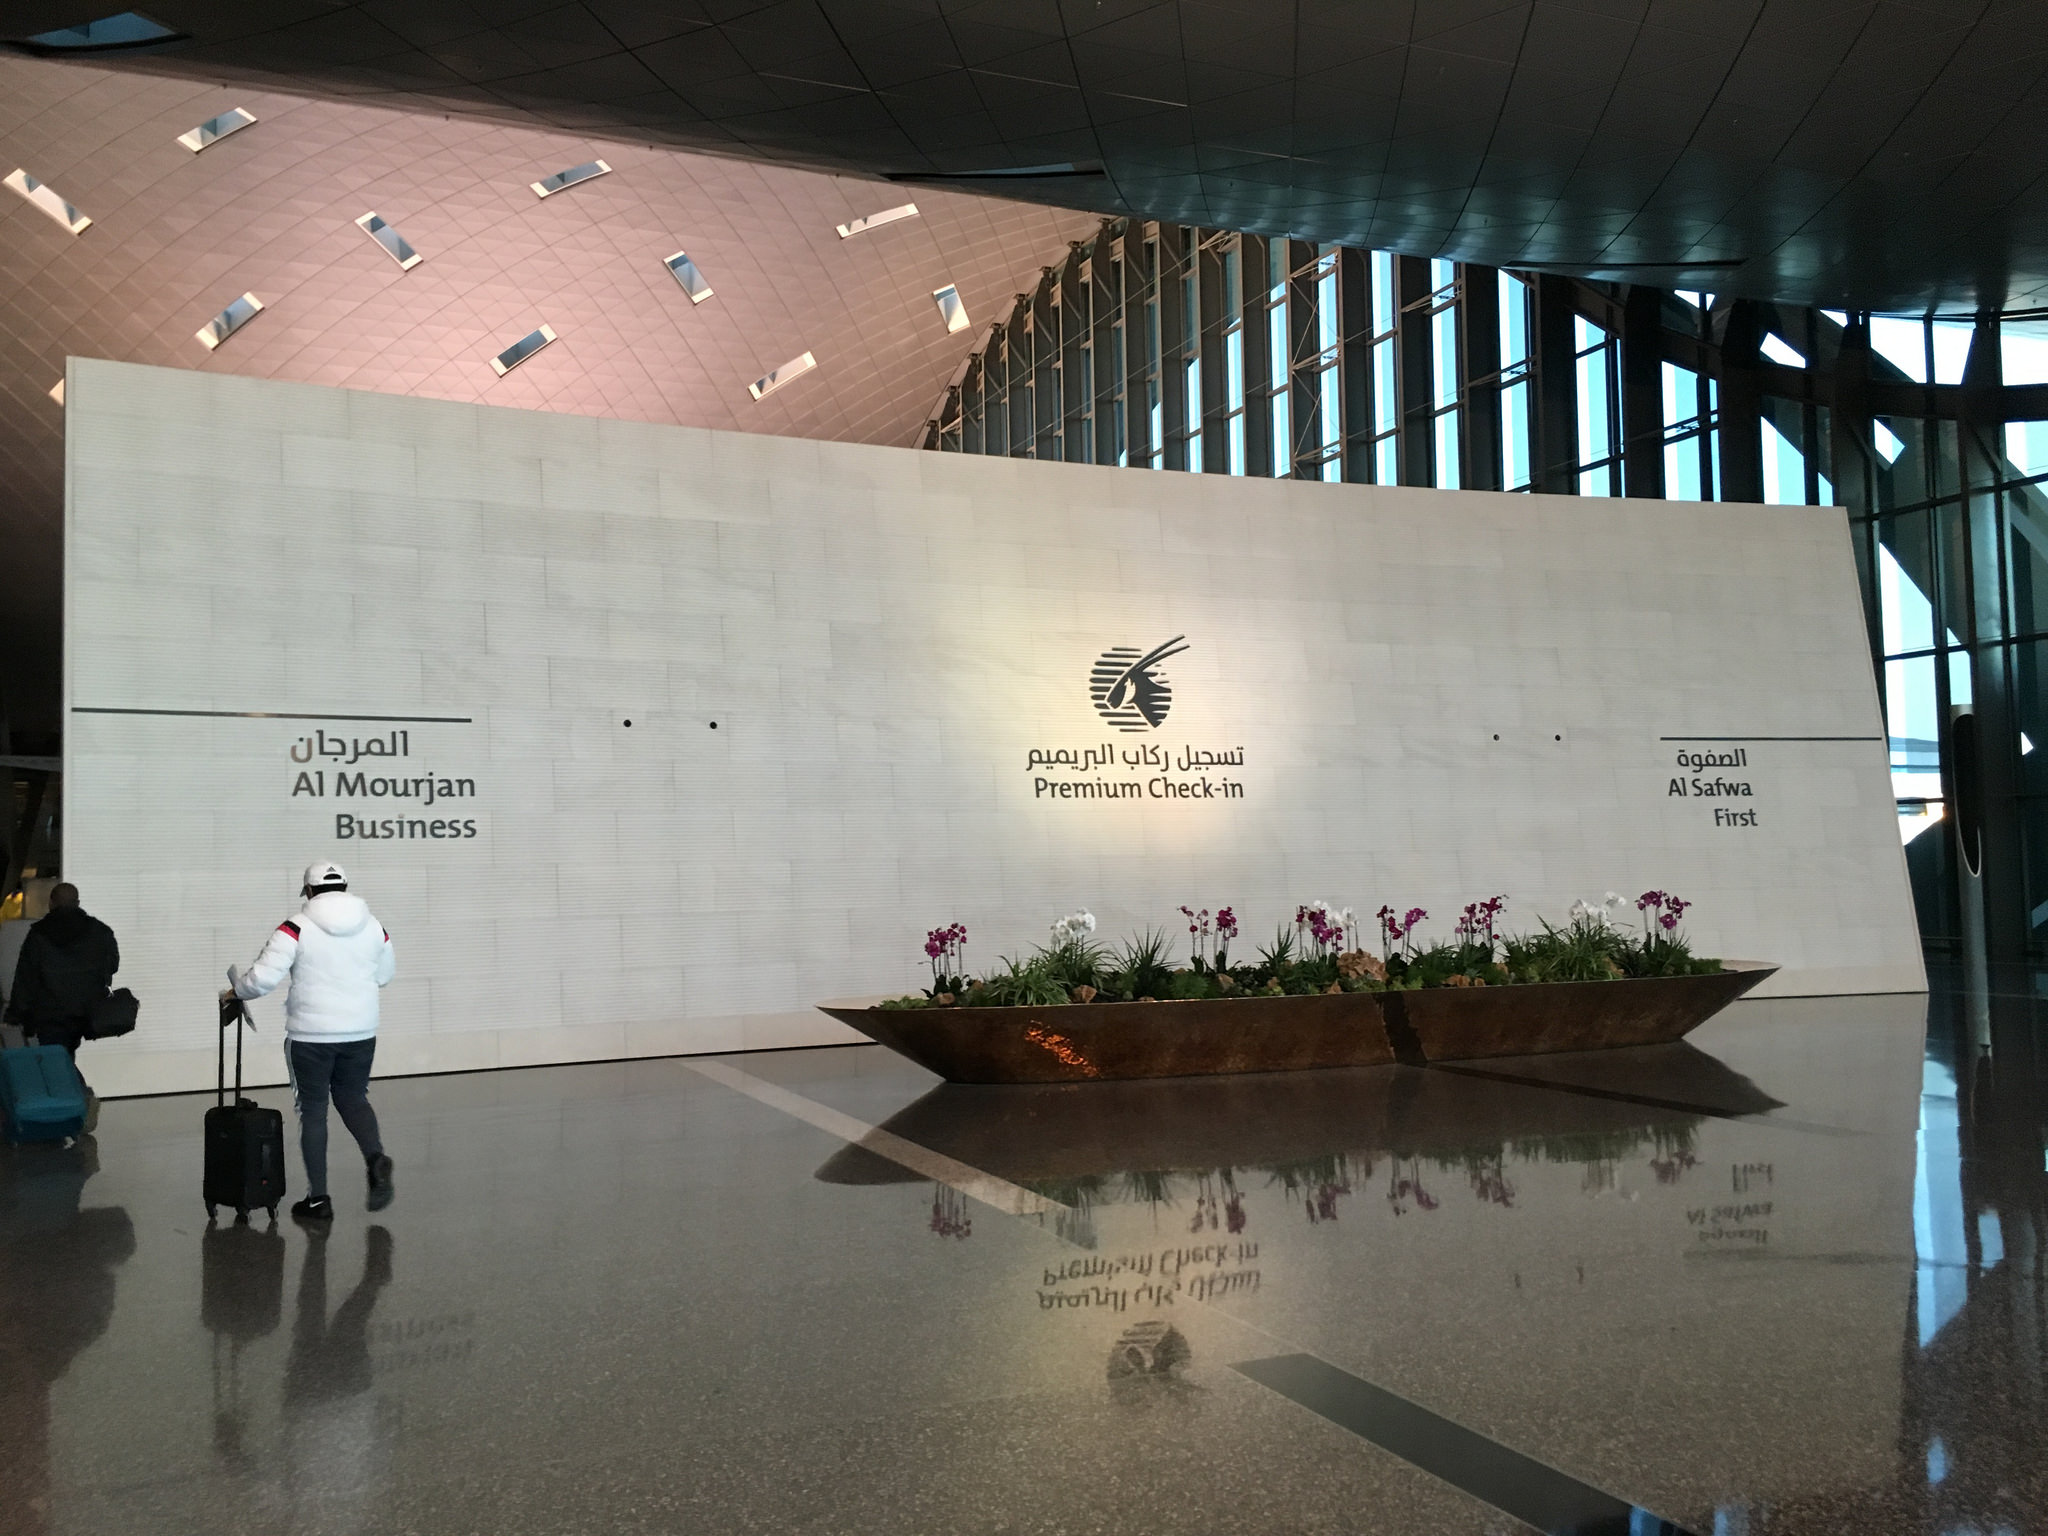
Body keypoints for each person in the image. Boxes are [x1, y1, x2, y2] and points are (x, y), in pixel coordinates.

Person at [226, 862, 396, 1223]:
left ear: (308, 891)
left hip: (311, 1037)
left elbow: (262, 980)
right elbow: (385, 975)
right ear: (346, 887)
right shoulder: (373, 926)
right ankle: (375, 1157)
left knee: (313, 1111)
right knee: (353, 1098)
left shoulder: (295, 927)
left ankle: (318, 1200)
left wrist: (236, 990)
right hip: (361, 1033)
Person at [5, 882, 119, 1133]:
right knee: (65, 1055)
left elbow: (26, 977)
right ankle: (72, 1107)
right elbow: (112, 964)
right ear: (77, 903)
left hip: (49, 1013)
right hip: (85, 1012)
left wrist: (16, 1013)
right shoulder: (99, 930)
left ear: (51, 903)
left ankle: (81, 1099)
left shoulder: (39, 934)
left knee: (58, 1057)